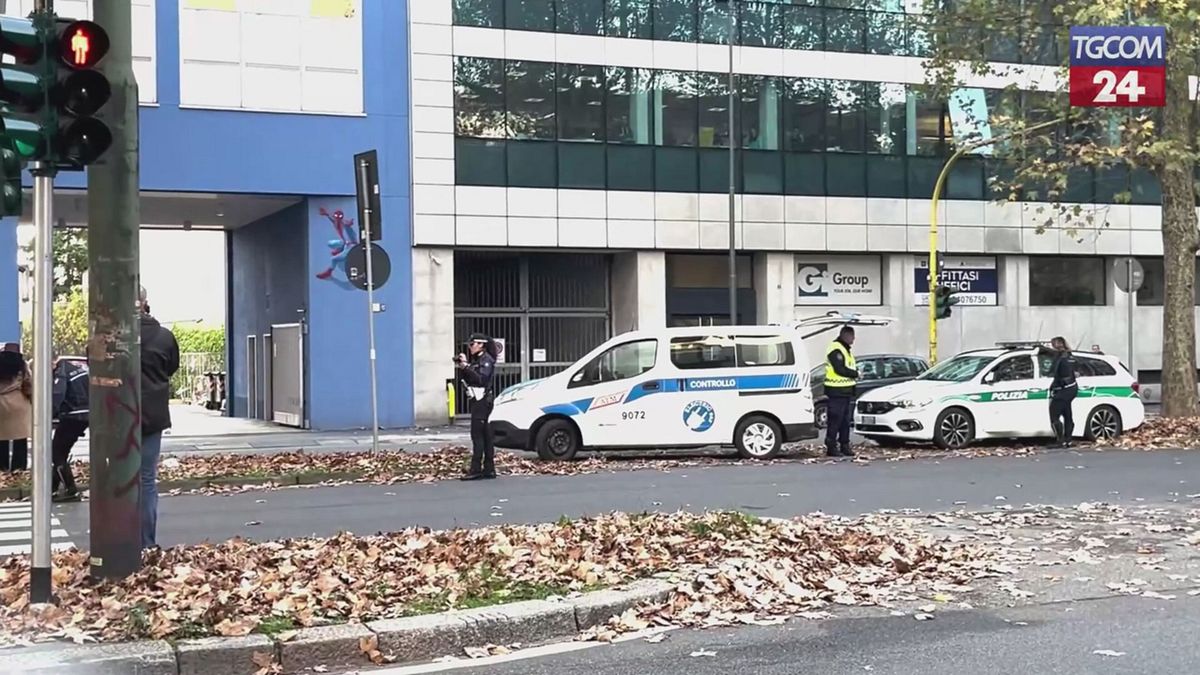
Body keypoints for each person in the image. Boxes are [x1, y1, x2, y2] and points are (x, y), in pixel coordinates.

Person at [139, 286, 180, 548]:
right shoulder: (164, 337)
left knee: (116, 479)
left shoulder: (108, 335)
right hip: (152, 415)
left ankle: (116, 542)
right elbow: (171, 367)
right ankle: (146, 542)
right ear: (145, 303)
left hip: (116, 416)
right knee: (146, 480)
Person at [456, 333, 497, 480]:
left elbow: (481, 379)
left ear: (481, 345)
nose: (470, 347)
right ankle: (489, 468)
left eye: (472, 344)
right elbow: (468, 378)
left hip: (482, 401)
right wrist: (464, 366)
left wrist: (467, 367)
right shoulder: (478, 360)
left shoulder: (486, 360)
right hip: (477, 400)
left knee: (478, 435)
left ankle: (476, 469)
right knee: (485, 435)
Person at [50, 356, 89, 502]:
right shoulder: (76, 369)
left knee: (56, 453)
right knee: (61, 452)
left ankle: (70, 489)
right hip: (84, 414)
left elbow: (58, 394)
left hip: (72, 415)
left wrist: (49, 414)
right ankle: (52, 488)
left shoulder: (61, 372)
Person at [823, 325, 859, 458]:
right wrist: (856, 374)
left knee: (845, 421)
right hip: (836, 391)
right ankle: (831, 447)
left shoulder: (845, 349)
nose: (853, 339)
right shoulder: (835, 349)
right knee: (835, 420)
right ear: (845, 335)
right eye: (852, 336)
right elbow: (839, 369)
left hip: (846, 391)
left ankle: (845, 445)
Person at [0, 350, 30, 473]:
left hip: (1, 404)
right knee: (21, 438)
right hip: (18, 403)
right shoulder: (22, 365)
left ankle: (2, 469)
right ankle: (19, 469)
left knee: (1, 438)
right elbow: (28, 383)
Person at [1047, 336, 1078, 447]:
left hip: (1063, 389)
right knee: (1067, 414)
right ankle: (1068, 440)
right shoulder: (1070, 355)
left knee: (1054, 415)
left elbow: (1055, 373)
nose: (1052, 346)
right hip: (1071, 388)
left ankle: (1060, 441)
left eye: (1053, 344)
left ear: (1059, 344)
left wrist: (1053, 386)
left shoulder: (1061, 357)